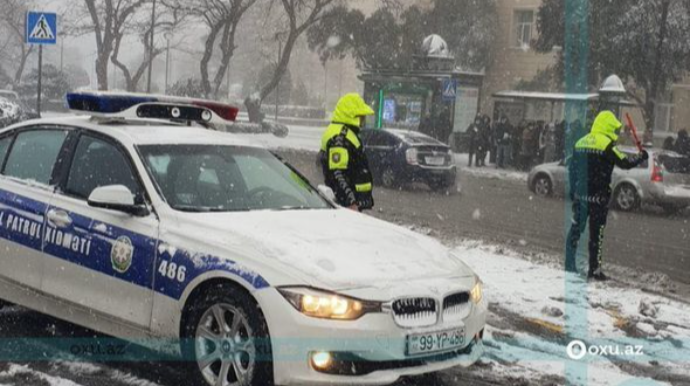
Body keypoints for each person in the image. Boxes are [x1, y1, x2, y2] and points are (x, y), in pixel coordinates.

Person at [565, 111, 648, 281]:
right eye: (615, 130)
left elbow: (572, 169)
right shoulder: (607, 146)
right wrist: (641, 157)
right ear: (608, 127)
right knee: (597, 235)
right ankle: (594, 270)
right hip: (599, 197)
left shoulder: (580, 142)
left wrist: (573, 190)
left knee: (575, 230)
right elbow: (625, 162)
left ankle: (569, 264)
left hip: (581, 195)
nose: (616, 134)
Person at [319, 93, 375, 211]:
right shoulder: (341, 137)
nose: (363, 120)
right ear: (352, 116)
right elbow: (337, 173)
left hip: (354, 203)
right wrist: (351, 201)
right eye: (361, 116)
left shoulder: (345, 133)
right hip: (349, 206)